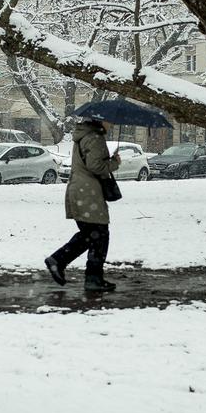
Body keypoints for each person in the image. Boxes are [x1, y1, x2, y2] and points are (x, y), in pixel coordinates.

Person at [45, 116, 121, 292]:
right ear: (101, 120)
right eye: (110, 121)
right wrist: (114, 163)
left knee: (92, 235)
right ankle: (85, 275)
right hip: (88, 193)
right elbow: (95, 166)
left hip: (81, 190)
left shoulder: (85, 136)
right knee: (99, 235)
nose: (112, 123)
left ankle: (66, 265)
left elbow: (90, 162)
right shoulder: (94, 138)